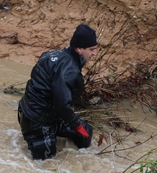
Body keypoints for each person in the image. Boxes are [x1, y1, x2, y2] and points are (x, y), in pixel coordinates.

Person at [18, 24, 99, 160]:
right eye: (92, 49)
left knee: (86, 133)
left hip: (40, 113)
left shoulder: (52, 54)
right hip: (37, 122)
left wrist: (78, 127)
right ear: (79, 49)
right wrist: (77, 125)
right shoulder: (69, 70)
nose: (95, 53)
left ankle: (85, 159)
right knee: (46, 164)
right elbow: (62, 104)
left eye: (96, 49)